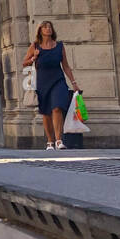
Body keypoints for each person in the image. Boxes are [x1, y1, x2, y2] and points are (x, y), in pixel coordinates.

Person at [23, 20, 78, 149]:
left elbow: (65, 66)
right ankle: (50, 141)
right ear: (40, 31)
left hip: (58, 80)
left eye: (50, 27)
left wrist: (74, 82)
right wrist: (33, 58)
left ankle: (59, 140)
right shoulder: (35, 46)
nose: (48, 29)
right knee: (46, 112)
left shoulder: (59, 46)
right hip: (42, 82)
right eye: (45, 27)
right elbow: (24, 63)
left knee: (57, 107)